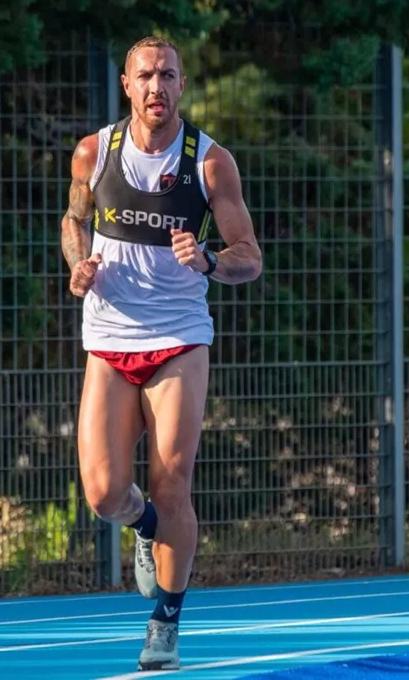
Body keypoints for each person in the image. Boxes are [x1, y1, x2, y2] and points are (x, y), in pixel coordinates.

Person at [60, 36, 262, 671]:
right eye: (145, 75)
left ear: (182, 85)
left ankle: (165, 622)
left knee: (172, 481)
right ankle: (144, 527)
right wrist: (77, 264)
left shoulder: (210, 165)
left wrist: (206, 259)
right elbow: (73, 219)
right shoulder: (95, 152)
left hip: (177, 337)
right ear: (127, 84)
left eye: (168, 76)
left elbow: (249, 257)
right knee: (101, 494)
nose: (156, 87)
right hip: (111, 337)